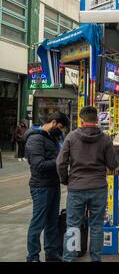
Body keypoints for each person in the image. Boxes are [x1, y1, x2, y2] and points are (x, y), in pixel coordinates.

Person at [56, 106, 119, 262]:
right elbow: (113, 165)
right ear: (97, 120)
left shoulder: (71, 137)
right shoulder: (105, 139)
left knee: (73, 226)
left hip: (76, 188)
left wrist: (66, 180)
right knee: (97, 226)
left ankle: (69, 259)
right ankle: (95, 259)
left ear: (81, 119)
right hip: (98, 188)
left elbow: (60, 163)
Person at [24, 111, 70, 262]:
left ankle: (51, 253)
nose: (62, 131)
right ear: (54, 123)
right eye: (61, 127)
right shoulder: (35, 138)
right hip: (41, 187)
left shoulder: (53, 137)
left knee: (52, 222)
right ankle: (32, 256)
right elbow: (38, 165)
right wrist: (60, 161)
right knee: (38, 223)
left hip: (53, 184)